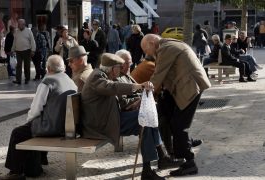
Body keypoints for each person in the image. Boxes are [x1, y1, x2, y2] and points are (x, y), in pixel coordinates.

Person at [81, 53, 180, 180]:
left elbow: (118, 99)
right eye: (119, 67)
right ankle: (152, 167)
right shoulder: (96, 76)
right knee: (144, 120)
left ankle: (158, 161)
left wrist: (137, 101)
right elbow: (111, 87)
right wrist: (138, 86)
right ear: (112, 68)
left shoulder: (106, 75)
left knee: (147, 116)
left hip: (110, 118)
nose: (121, 69)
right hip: (99, 125)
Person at [141, 34, 211, 176]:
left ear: (152, 42)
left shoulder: (165, 49)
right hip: (189, 85)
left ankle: (189, 162)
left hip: (190, 87)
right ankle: (179, 150)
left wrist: (144, 96)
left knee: (179, 126)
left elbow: (158, 75)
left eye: (146, 50)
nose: (148, 54)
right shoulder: (168, 45)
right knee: (172, 121)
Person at [0, 55, 78, 180]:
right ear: (62, 68)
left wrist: (29, 122)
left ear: (48, 68)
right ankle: (36, 164)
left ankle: (15, 173)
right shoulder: (70, 80)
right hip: (67, 127)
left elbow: (36, 109)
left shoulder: (47, 82)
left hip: (52, 128)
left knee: (18, 132)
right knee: (31, 128)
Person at [11, 19, 36, 85]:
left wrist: (33, 50)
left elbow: (32, 41)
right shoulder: (16, 31)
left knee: (26, 65)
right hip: (18, 51)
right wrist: (12, 50)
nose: (19, 26)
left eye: (20, 24)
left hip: (27, 50)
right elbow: (14, 41)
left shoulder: (28, 31)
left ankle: (27, 79)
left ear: (24, 24)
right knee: (18, 66)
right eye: (18, 24)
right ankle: (18, 80)